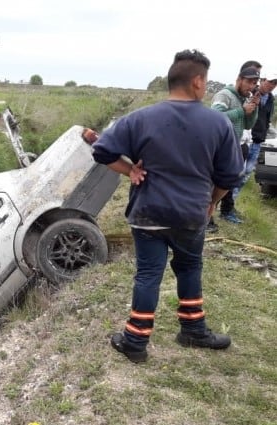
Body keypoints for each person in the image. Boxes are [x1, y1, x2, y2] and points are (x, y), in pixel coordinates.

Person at [91, 49, 243, 363]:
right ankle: (193, 330)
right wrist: (212, 202)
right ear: (198, 81)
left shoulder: (140, 118)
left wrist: (130, 169)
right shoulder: (217, 124)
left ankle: (135, 341)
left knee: (148, 274)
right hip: (191, 213)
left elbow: (102, 149)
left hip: (148, 212)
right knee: (189, 267)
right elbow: (231, 174)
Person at [209, 64, 261, 225]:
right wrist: (241, 111)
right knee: (211, 183)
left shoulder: (243, 99)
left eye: (254, 83)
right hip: (218, 146)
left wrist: (254, 107)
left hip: (233, 146)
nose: (251, 86)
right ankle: (206, 219)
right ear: (239, 79)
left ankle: (211, 213)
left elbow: (247, 125)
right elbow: (215, 117)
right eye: (249, 82)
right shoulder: (225, 95)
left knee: (227, 181)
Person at [239, 71, 277, 200]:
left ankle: (231, 202)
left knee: (247, 172)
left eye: (275, 83)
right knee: (237, 172)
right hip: (245, 139)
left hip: (258, 140)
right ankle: (225, 206)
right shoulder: (249, 93)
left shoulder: (271, 99)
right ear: (262, 80)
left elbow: (267, 120)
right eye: (270, 82)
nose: (272, 85)